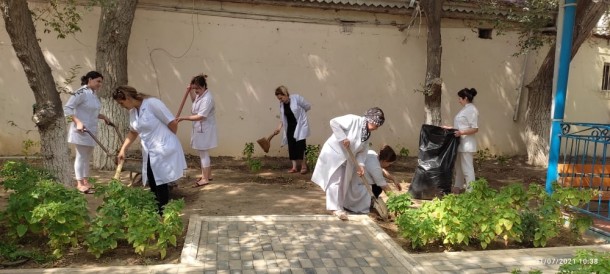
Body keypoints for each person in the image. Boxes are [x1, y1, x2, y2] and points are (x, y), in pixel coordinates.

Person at [113, 85, 187, 214]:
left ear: (128, 98)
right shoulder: (133, 112)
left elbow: (172, 123)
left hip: (163, 148)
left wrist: (167, 139)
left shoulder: (153, 104)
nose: (121, 106)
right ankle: (156, 212)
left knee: (160, 181)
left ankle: (163, 213)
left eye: (121, 102)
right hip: (150, 150)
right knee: (152, 181)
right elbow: (133, 132)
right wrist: (123, 150)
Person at [311, 107, 385, 220]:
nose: (377, 128)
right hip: (334, 154)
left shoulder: (367, 134)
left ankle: (339, 207)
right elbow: (334, 122)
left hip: (348, 158)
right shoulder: (353, 119)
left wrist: (361, 165)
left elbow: (362, 152)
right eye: (377, 125)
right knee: (335, 180)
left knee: (343, 182)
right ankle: (334, 208)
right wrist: (343, 138)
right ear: (371, 120)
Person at [63, 71, 110, 194]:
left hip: (91, 130)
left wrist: (103, 116)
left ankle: (85, 180)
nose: (100, 84)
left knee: (87, 157)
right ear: (90, 79)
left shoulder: (93, 94)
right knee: (81, 156)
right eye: (98, 81)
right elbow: (67, 108)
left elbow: (90, 112)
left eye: (101, 82)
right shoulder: (81, 92)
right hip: (80, 130)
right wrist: (77, 122)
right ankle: (79, 183)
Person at [176, 74, 218, 187]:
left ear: (204, 86)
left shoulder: (207, 99)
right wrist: (190, 91)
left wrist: (183, 118)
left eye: (198, 88)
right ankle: (208, 175)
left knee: (203, 152)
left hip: (204, 128)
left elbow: (201, 116)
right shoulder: (201, 95)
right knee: (203, 152)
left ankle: (205, 178)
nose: (196, 91)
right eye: (194, 89)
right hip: (199, 128)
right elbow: (195, 100)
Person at [344, 145, 402, 214]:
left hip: (351, 185)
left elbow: (381, 170)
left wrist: (393, 178)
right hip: (358, 190)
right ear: (385, 161)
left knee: (377, 185)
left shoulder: (372, 154)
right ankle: (369, 204)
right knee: (378, 188)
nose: (389, 166)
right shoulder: (375, 168)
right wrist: (397, 202)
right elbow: (385, 188)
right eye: (389, 164)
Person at [446, 88, 479, 194]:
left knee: (467, 167)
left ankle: (471, 191)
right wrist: (450, 128)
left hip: (467, 144)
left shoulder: (472, 110)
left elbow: (475, 129)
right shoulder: (465, 109)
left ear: (465, 98)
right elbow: (460, 126)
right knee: (459, 166)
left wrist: (461, 133)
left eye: (460, 98)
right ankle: (457, 187)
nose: (458, 100)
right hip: (460, 143)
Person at [273, 85, 311, 174]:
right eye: (279, 99)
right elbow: (283, 118)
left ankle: (303, 166)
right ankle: (294, 167)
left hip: (299, 126)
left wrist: (302, 115)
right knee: (292, 146)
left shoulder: (296, 98)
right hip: (289, 127)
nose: (280, 100)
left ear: (285, 94)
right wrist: (278, 128)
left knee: (300, 146)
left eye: (281, 98)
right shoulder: (281, 105)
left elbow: (307, 106)